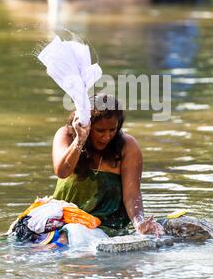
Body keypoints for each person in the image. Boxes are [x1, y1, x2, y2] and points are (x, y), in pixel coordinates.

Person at [52, 94, 164, 237]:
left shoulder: (127, 146)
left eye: (112, 130)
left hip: (106, 227)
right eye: (100, 131)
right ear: (87, 125)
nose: (107, 137)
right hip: (63, 222)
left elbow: (132, 195)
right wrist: (80, 140)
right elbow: (62, 171)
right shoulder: (66, 135)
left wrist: (139, 222)